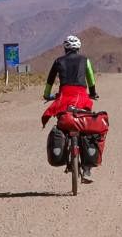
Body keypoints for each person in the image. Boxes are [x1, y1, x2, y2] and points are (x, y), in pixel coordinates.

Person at [41, 34, 99, 182]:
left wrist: (47, 95)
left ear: (65, 48)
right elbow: (90, 78)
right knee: (85, 127)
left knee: (63, 123)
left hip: (64, 97)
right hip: (81, 97)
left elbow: (50, 80)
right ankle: (86, 169)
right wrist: (92, 93)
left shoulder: (58, 61)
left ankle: (65, 150)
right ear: (78, 48)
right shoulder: (85, 60)